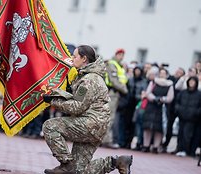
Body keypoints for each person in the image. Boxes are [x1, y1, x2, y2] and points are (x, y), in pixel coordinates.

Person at [42, 45, 132, 174]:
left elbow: (76, 107)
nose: (72, 59)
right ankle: (117, 162)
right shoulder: (89, 76)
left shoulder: (89, 79)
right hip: (96, 126)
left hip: (91, 124)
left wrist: (53, 101)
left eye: (75, 56)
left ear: (84, 59)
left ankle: (66, 165)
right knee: (79, 171)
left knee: (50, 126)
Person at [142, 68, 174, 153]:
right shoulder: (153, 82)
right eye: (161, 73)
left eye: (164, 73)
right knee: (148, 127)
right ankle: (146, 145)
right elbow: (148, 93)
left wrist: (162, 99)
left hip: (162, 108)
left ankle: (156, 147)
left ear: (166, 75)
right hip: (151, 106)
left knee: (159, 129)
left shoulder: (169, 85)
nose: (162, 74)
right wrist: (154, 98)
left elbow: (170, 97)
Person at [102, 48, 128, 149]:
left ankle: (106, 139)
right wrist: (125, 90)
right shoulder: (112, 64)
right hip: (112, 93)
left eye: (123, 55)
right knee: (109, 117)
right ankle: (107, 140)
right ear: (117, 54)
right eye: (120, 55)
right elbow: (114, 81)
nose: (122, 57)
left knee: (110, 117)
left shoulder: (118, 65)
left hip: (115, 94)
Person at [174, 76, 201, 157]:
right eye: (190, 81)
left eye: (193, 82)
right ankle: (179, 149)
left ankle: (186, 150)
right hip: (182, 116)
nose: (191, 83)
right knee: (180, 134)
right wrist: (178, 110)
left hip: (192, 118)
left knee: (187, 135)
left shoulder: (199, 94)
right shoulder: (183, 92)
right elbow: (177, 103)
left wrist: (195, 113)